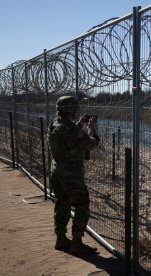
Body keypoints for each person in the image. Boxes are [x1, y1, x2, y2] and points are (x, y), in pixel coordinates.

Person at [48, 95, 100, 255]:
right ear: (71, 110)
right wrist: (92, 128)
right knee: (82, 205)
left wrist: (80, 124)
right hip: (71, 175)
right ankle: (77, 243)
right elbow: (92, 143)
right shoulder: (71, 129)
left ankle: (61, 239)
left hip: (56, 171)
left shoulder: (54, 125)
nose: (77, 112)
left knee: (62, 203)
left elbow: (68, 136)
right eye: (75, 109)